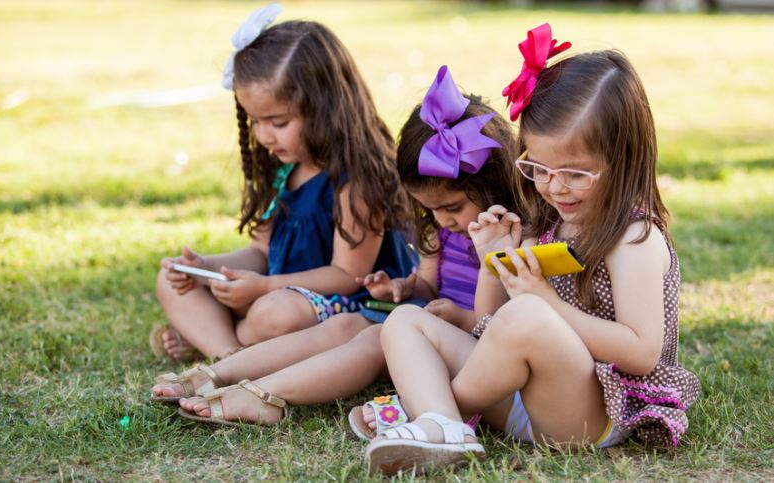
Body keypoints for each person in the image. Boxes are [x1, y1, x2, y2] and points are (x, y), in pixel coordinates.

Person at [364, 24, 701, 476]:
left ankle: (430, 409)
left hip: (590, 414)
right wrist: (494, 264)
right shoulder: (550, 221)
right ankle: (444, 424)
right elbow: (489, 329)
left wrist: (541, 301)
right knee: (405, 321)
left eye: (575, 173)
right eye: (538, 168)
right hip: (527, 396)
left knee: (528, 315)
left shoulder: (632, 237)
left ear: (624, 160)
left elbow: (640, 352)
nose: (554, 186)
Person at [149, 66, 525, 430]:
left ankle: (265, 394)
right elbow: (427, 287)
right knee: (347, 325)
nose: (441, 220)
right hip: (423, 327)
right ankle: (218, 372)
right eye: (430, 209)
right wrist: (402, 289)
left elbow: (510, 321)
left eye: (452, 208)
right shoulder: (439, 233)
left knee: (375, 339)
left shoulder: (514, 237)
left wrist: (459, 318)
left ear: (492, 185)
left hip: (475, 352)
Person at [149, 4, 415, 362]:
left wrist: (265, 287)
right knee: (170, 280)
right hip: (275, 294)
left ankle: (218, 339)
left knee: (275, 313)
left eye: (277, 122)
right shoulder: (284, 169)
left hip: (349, 306)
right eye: (255, 121)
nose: (262, 136)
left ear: (324, 108)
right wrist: (209, 268)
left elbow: (348, 276)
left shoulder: (357, 181)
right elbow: (261, 252)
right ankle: (228, 355)